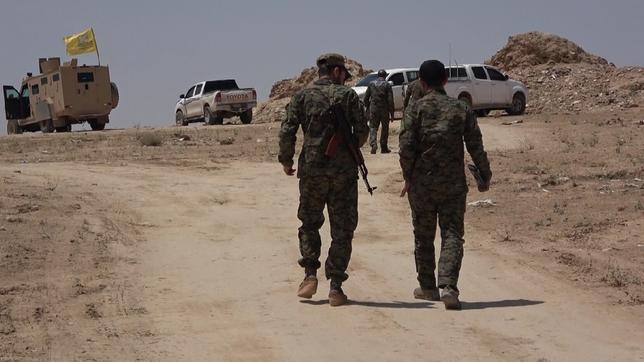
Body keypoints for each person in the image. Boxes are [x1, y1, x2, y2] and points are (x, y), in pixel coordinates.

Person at [398, 60, 492, 310]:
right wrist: (485, 174)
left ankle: (428, 287)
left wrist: (408, 176)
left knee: (423, 234)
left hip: (422, 184)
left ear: (421, 81)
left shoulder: (415, 110)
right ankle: (449, 286)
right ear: (445, 81)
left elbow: (405, 148)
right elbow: (476, 146)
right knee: (452, 233)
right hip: (452, 185)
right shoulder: (460, 108)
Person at [278, 53, 369, 307]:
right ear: (337, 71)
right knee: (342, 229)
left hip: (312, 171)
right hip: (343, 175)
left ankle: (309, 275)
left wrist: (286, 160)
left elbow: (287, 129)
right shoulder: (347, 96)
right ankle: (335, 287)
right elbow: (362, 133)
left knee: (309, 223)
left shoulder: (302, 97)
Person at [363, 69, 394, 154]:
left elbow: (366, 98)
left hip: (374, 108)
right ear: (385, 76)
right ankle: (383, 147)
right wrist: (392, 113)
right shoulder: (387, 85)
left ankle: (373, 144)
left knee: (373, 127)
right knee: (385, 128)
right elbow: (390, 100)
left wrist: (368, 106)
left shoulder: (371, 84)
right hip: (384, 109)